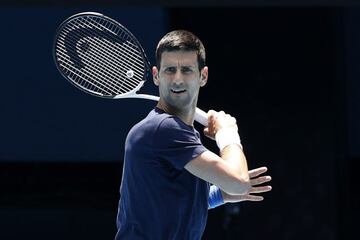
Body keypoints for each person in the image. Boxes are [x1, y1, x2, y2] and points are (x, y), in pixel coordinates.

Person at [115, 30, 272, 240]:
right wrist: (228, 134)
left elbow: (170, 204)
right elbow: (239, 181)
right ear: (156, 75)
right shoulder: (163, 129)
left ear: (203, 76)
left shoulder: (181, 134)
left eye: (186, 70)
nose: (177, 79)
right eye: (170, 70)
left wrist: (221, 194)